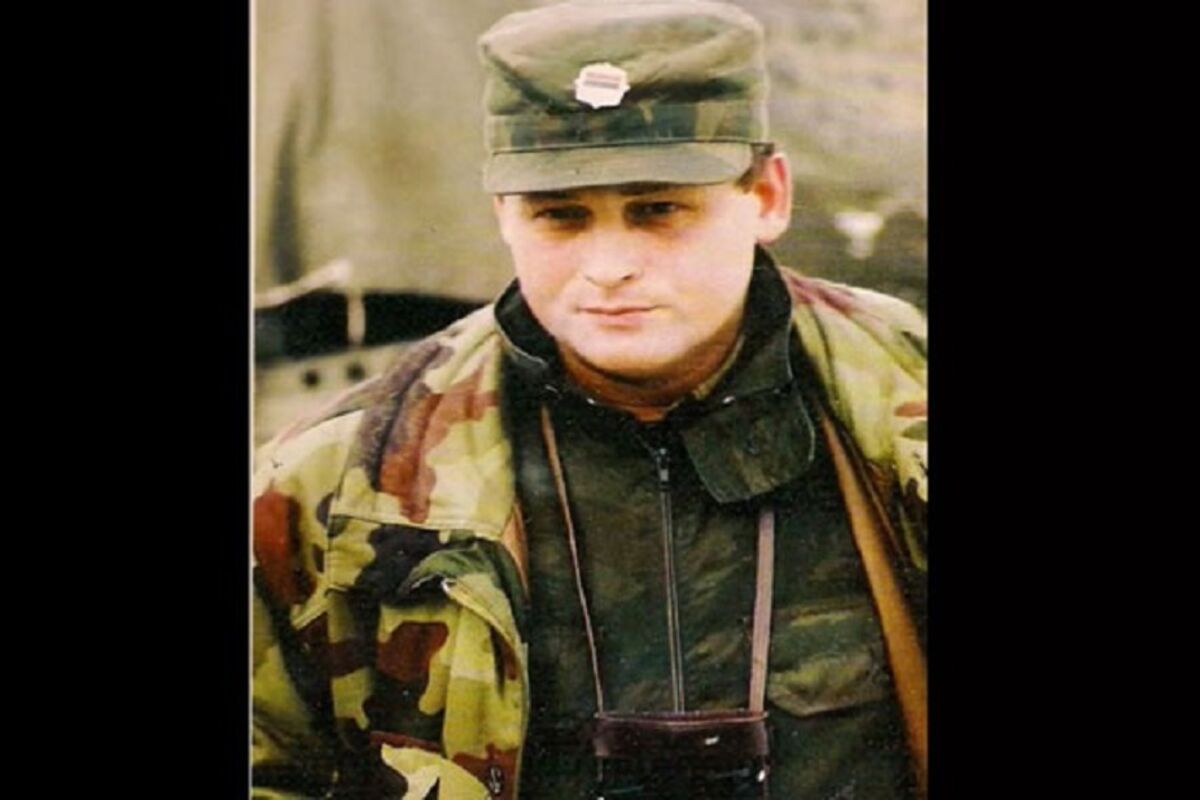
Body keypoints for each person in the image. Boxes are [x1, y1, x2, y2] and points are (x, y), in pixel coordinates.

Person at [252, 1, 928, 797]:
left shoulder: (904, 412)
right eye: (561, 217)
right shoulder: (342, 487)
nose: (609, 267)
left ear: (768, 197)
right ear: (503, 216)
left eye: (658, 210)